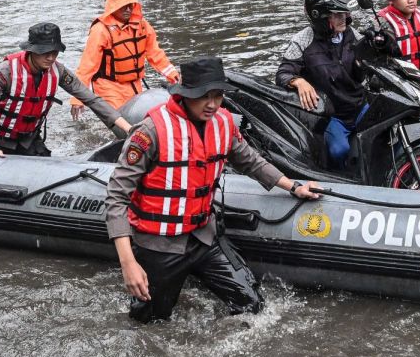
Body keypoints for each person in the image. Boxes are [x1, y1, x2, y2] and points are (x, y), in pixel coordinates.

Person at [106, 57, 319, 322]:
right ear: (184, 95)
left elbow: (251, 161)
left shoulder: (224, 122)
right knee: (150, 322)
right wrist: (128, 264)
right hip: (159, 245)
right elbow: (116, 197)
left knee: (253, 307)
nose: (212, 104)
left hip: (203, 238)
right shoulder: (150, 131)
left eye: (218, 96)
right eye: (204, 97)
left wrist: (293, 186)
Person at [0, 22, 132, 167]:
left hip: (30, 142)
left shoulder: (59, 71)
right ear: (31, 50)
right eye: (44, 52)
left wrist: (129, 129)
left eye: (54, 52)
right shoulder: (5, 72)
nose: (50, 58)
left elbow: (92, 100)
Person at [277, 0, 389, 168]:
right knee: (339, 151)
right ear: (320, 17)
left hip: (359, 105)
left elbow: (363, 71)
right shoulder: (302, 41)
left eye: (344, 13)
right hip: (333, 116)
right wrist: (297, 81)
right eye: (337, 15)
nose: (343, 19)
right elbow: (283, 73)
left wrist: (370, 54)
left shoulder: (352, 34)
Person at [71, 0, 179, 114]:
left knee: (140, 118)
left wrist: (175, 78)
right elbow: (87, 66)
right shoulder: (101, 30)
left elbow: (156, 55)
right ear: (113, 7)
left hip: (134, 84)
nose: (128, 9)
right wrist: (77, 99)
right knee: (121, 121)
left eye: (130, 5)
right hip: (109, 87)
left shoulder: (142, 26)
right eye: (123, 6)